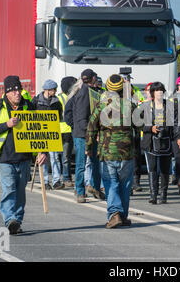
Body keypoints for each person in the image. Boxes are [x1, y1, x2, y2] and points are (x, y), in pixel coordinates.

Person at [0, 75, 47, 235]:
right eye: (13, 91)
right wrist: (7, 125)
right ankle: (9, 219)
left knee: (20, 193)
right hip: (5, 158)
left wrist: (43, 151)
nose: (17, 93)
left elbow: (40, 130)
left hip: (24, 158)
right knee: (9, 190)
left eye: (19, 90)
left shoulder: (29, 106)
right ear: (7, 93)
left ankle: (16, 222)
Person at [86, 74, 137, 228]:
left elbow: (91, 128)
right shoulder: (130, 105)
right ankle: (123, 215)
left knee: (111, 183)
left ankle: (115, 214)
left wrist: (88, 148)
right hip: (127, 153)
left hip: (107, 152)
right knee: (125, 185)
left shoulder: (101, 106)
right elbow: (141, 126)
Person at [65, 69, 105, 203]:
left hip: (86, 132)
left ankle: (94, 188)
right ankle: (80, 192)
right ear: (93, 78)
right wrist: (83, 130)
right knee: (82, 164)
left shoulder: (87, 91)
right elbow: (82, 117)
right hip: (84, 134)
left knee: (94, 162)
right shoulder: (85, 93)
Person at [140, 82, 175, 204]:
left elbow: (176, 123)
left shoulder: (170, 106)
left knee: (165, 169)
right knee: (152, 168)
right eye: (156, 90)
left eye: (161, 90)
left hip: (167, 141)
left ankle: (163, 195)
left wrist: (179, 137)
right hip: (151, 142)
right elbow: (138, 123)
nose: (159, 92)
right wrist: (150, 128)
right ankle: (153, 195)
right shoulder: (146, 106)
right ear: (152, 93)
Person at [33, 79, 64, 190]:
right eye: (53, 89)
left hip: (52, 132)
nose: (55, 91)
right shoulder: (36, 101)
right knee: (43, 158)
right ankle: (45, 181)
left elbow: (59, 117)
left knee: (55, 157)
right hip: (40, 133)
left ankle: (56, 181)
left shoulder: (56, 102)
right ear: (47, 90)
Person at [57, 76, 77, 188]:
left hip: (71, 129)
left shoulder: (72, 96)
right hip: (64, 130)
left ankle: (67, 177)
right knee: (65, 157)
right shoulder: (60, 98)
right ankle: (66, 178)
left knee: (67, 156)